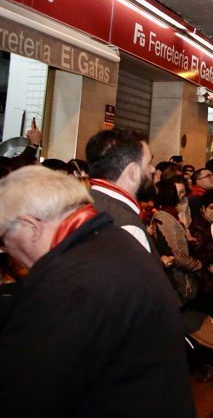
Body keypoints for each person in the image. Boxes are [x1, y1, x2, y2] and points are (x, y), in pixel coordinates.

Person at [0, 166, 194, 417]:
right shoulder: (113, 241)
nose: (8, 252)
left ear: (31, 226)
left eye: (4, 240)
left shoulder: (70, 280)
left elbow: (24, 393)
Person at [85, 127, 157, 255]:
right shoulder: (129, 228)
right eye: (148, 163)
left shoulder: (82, 204)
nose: (152, 169)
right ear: (133, 172)